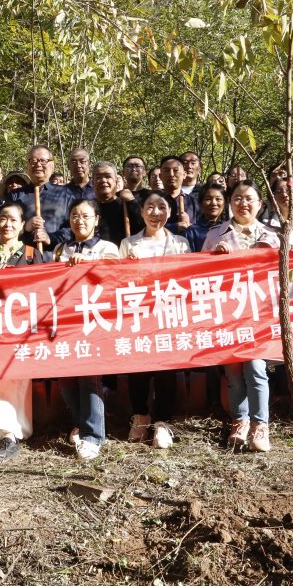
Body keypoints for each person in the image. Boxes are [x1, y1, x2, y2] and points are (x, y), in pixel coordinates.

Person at [202, 180, 280, 452]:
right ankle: (240, 420)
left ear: (260, 204)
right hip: (229, 314)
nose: (243, 203)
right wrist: (214, 257)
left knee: (256, 367)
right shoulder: (216, 234)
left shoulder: (273, 236)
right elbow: (198, 275)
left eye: (249, 199)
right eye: (237, 198)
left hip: (261, 314)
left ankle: (261, 425)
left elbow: (290, 271)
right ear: (229, 203)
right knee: (234, 371)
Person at [0, 201, 50, 460]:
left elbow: (40, 290)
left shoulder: (31, 254)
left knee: (13, 380)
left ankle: (10, 433)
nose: (7, 224)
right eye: (3, 219)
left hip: (19, 329)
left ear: (22, 224)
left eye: (13, 220)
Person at [120, 191, 192, 449]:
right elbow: (119, 281)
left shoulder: (181, 243)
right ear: (141, 212)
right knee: (138, 365)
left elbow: (189, 277)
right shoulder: (129, 243)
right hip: (140, 313)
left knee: (167, 368)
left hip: (170, 312)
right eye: (149, 207)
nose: (155, 213)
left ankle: (163, 422)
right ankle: (140, 416)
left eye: (161, 207)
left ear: (170, 212)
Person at [54, 199, 119, 460]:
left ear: (97, 219)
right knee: (65, 376)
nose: (79, 220)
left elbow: (114, 277)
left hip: (95, 320)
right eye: (74, 215)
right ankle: (80, 424)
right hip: (66, 321)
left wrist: (88, 266)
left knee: (89, 376)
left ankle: (93, 436)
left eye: (85, 216)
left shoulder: (108, 248)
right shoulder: (60, 249)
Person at [10, 145, 75, 250]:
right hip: (23, 258)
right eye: (33, 161)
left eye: (43, 161)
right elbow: (5, 227)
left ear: (52, 165)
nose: (38, 164)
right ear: (28, 165)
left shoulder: (66, 193)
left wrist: (50, 238)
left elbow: (73, 227)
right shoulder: (15, 195)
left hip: (56, 257)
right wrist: (25, 228)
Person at [91, 162, 142, 245]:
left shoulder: (127, 204)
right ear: (92, 182)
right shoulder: (88, 207)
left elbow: (144, 226)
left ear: (116, 181)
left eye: (108, 176)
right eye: (99, 177)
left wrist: (132, 202)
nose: (103, 180)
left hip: (123, 254)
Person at [184, 182, 227, 252]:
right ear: (200, 203)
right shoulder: (192, 232)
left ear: (224, 203)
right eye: (208, 199)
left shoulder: (229, 228)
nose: (213, 203)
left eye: (218, 199)